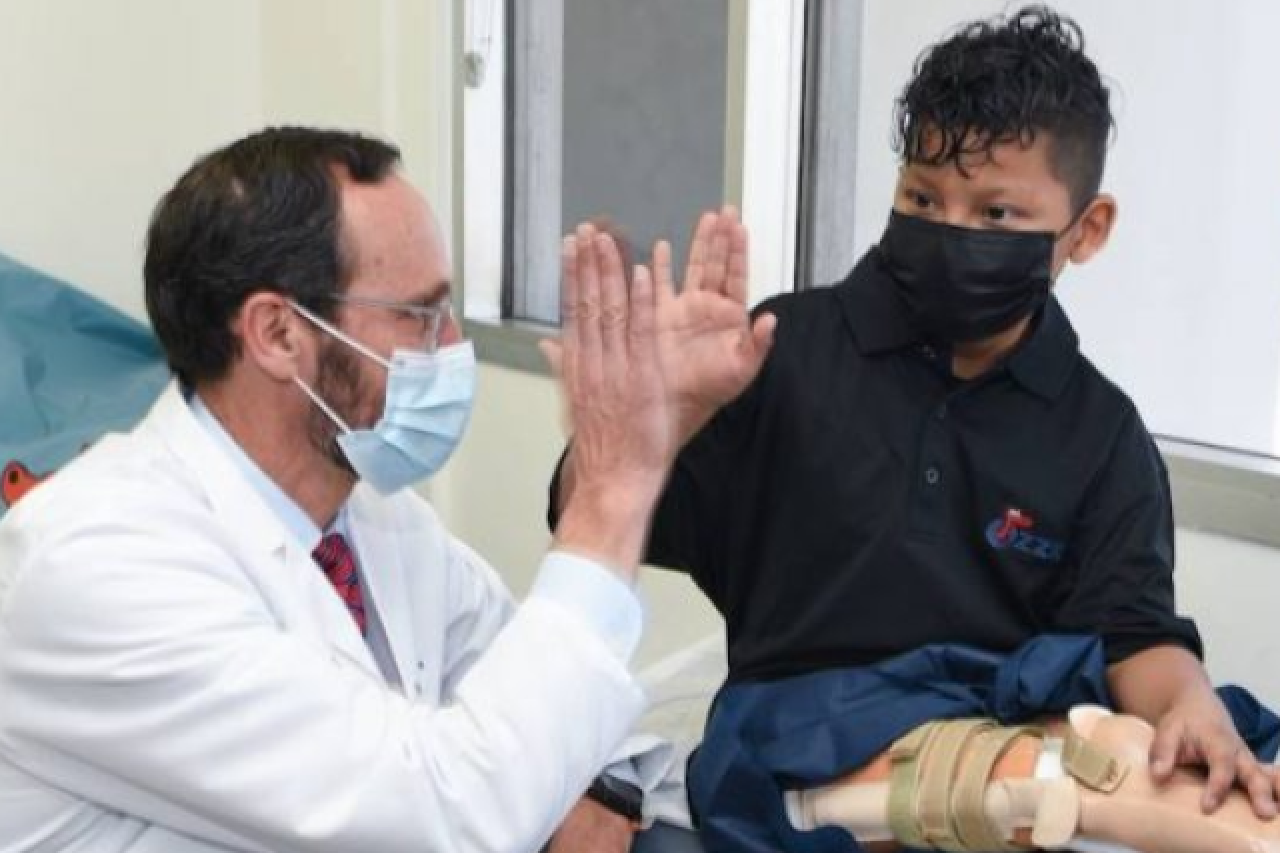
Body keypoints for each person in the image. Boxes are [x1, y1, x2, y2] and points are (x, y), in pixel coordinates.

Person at [548, 6, 1280, 850]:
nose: (952, 232)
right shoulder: (777, 351)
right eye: (922, 198)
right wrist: (651, 420)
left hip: (998, 784)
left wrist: (1188, 705)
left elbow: (1134, 634)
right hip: (785, 766)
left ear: (1087, 230)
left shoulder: (1103, 436)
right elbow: (595, 521)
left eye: (996, 215)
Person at [0, 127, 770, 853]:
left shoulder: (368, 515)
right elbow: (445, 812)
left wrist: (592, 782)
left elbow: (527, 683)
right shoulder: (95, 567)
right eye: (421, 314)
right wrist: (615, 483)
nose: (455, 349)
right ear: (275, 334)